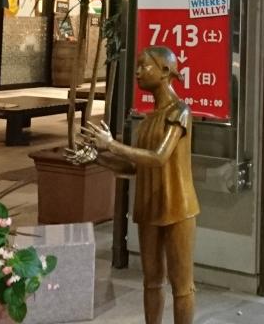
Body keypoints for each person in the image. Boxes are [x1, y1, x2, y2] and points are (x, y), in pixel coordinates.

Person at [84, 47, 199, 324]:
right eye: (137, 66)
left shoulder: (180, 112)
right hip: (149, 206)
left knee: (182, 284)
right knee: (151, 279)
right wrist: (97, 157)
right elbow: (136, 166)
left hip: (178, 206)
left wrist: (112, 145)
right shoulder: (148, 120)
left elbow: (158, 157)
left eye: (144, 66)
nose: (137, 72)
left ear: (165, 71)